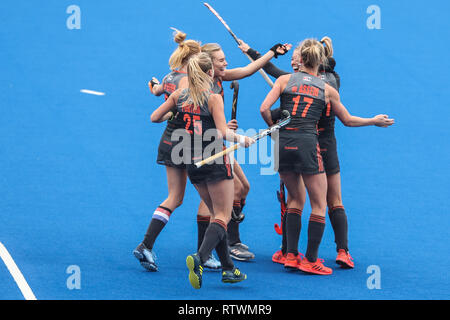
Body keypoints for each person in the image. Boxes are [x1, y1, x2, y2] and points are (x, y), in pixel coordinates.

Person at [259, 38, 394, 275]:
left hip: (286, 144)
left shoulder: (285, 80)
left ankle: (290, 255)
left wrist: (274, 126)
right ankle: (319, 257)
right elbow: (348, 120)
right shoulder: (329, 87)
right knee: (325, 203)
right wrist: (373, 120)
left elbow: (265, 107)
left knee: (294, 200)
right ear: (322, 60)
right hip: (316, 147)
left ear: (301, 60)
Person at [151, 52, 255, 288]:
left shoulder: (180, 95)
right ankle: (200, 258)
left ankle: (228, 269)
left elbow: (155, 117)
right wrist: (242, 139)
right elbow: (223, 132)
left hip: (192, 161)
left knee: (214, 213)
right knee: (222, 216)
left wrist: (176, 114)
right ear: (209, 73)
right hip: (215, 160)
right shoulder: (214, 97)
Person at [134, 30, 225, 272]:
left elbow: (156, 96)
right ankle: (205, 255)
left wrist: (156, 89)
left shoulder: (169, 77)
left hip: (169, 141)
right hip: (190, 143)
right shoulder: (190, 83)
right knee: (210, 199)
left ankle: (146, 245)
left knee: (175, 197)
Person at [201, 42, 290, 261]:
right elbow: (198, 120)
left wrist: (272, 52)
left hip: (218, 143)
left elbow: (247, 70)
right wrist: (225, 130)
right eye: (221, 60)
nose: (226, 62)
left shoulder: (219, 78)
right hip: (207, 148)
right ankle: (225, 244)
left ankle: (228, 240)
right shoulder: (205, 88)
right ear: (209, 65)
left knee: (243, 188)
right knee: (227, 196)